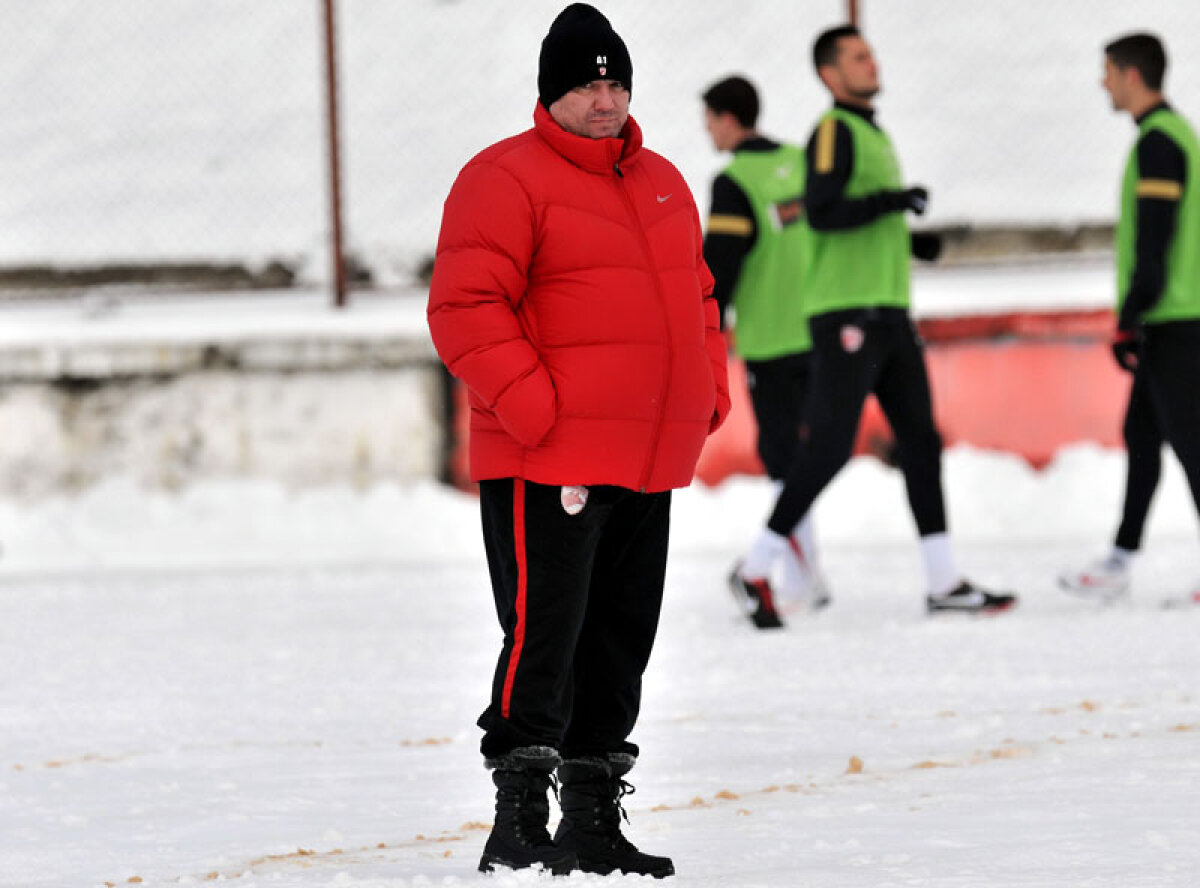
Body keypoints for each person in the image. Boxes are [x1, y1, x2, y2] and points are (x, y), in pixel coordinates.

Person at [428, 4, 730, 877]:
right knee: (545, 632)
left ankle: (593, 817)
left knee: (621, 634)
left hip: (646, 457)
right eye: (587, 83)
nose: (605, 99)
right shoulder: (503, 178)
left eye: (615, 81)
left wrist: (705, 393)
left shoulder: (665, 180)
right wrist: (535, 410)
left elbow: (701, 299)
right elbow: (464, 308)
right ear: (551, 93)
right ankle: (518, 816)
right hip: (549, 455)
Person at [733, 24, 1017, 617]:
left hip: (887, 311)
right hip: (846, 314)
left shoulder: (870, 132)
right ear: (829, 75)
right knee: (831, 446)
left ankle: (943, 582)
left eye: (872, 54)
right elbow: (827, 212)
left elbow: (856, 220)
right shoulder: (834, 130)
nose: (872, 63)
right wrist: (895, 202)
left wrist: (913, 244)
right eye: (859, 57)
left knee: (920, 440)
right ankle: (757, 567)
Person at [1059, 33, 1200, 606]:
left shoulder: (1160, 143)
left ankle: (1120, 557)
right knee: (1142, 434)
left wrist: (1130, 315)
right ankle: (1119, 559)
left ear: (1131, 76)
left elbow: (1155, 236)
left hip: (1175, 317)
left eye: (1108, 72)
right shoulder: (1170, 135)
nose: (1103, 83)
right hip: (1173, 315)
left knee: (1192, 444)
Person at [700, 75, 829, 628]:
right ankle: (807, 573)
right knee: (812, 451)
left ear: (728, 118)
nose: (707, 130)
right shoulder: (804, 162)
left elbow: (719, 265)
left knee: (783, 458)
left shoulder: (733, 182)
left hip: (771, 339)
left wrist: (704, 324)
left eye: (708, 119)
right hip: (820, 328)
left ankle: (804, 576)